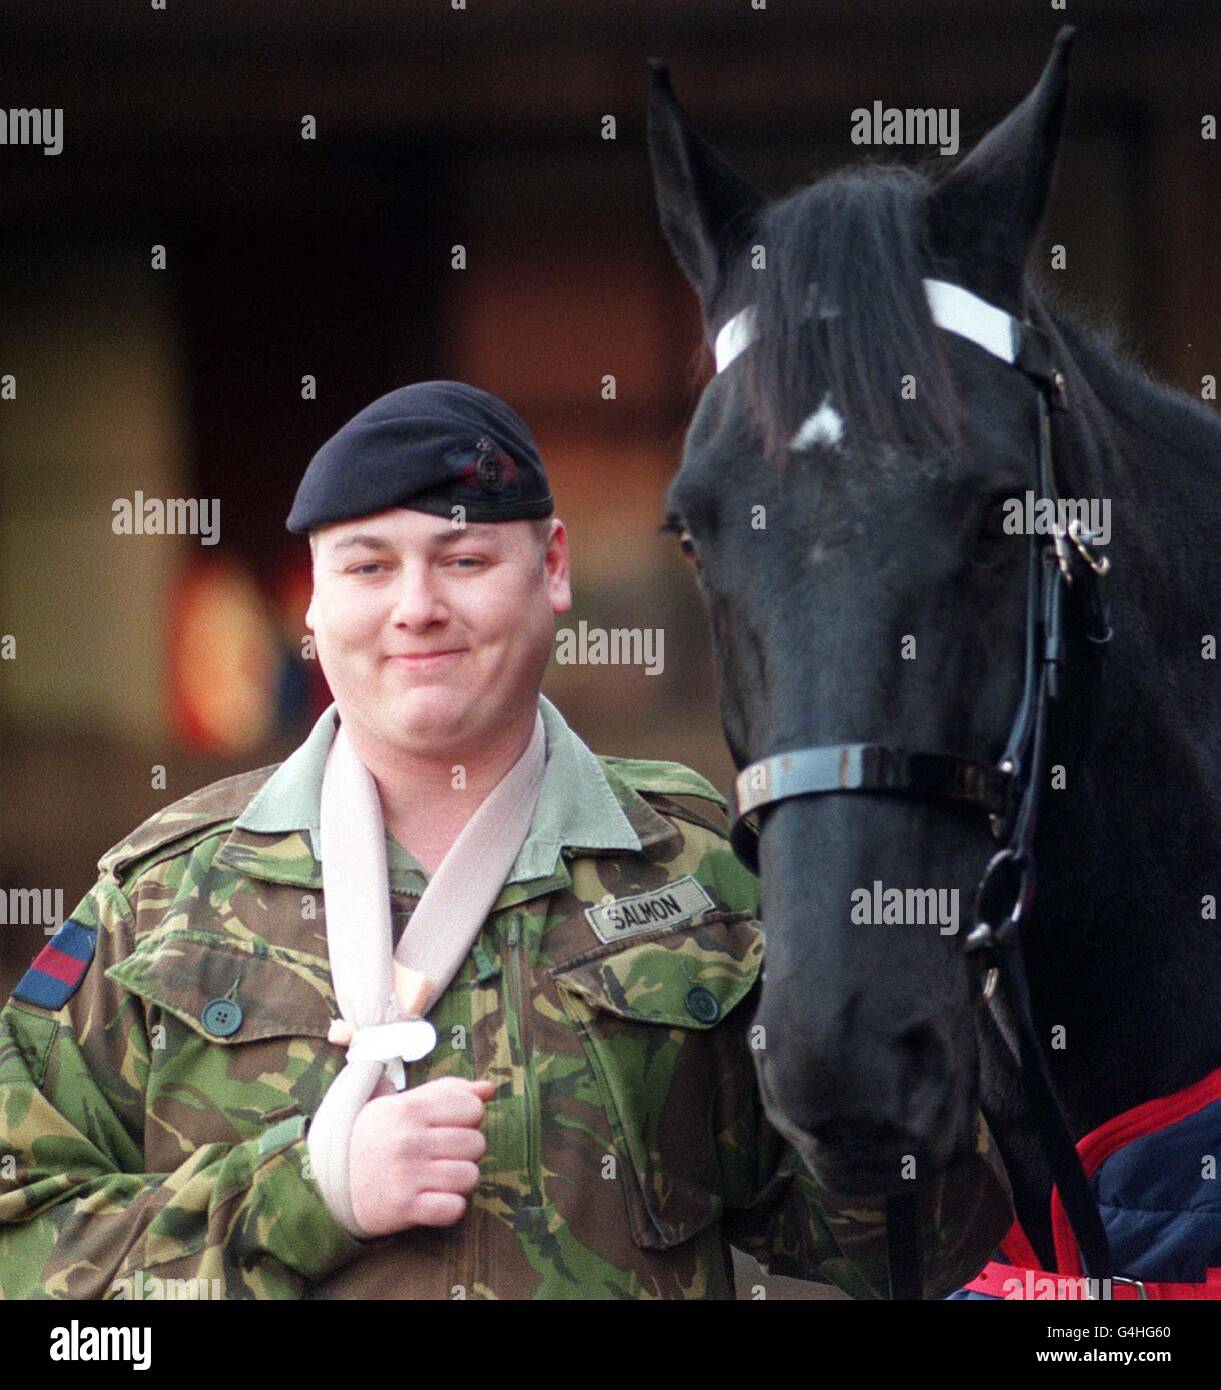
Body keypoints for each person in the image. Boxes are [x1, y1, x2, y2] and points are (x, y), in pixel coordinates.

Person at [0, 381, 1011, 1299]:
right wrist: (304, 1195)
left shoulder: (702, 870)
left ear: (554, 569)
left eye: (465, 558)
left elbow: (899, 1246)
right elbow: (20, 1245)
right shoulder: (161, 896)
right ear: (314, 599)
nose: (418, 608)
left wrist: (918, 1056)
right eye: (368, 565)